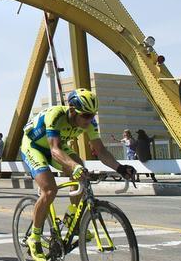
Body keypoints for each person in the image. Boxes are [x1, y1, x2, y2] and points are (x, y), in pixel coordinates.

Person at [18, 90, 136, 261]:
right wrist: (74, 167)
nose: (89, 120)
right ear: (72, 110)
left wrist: (120, 168)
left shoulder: (89, 123)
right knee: (50, 190)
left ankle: (71, 217)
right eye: (86, 115)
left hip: (56, 147)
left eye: (92, 115)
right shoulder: (56, 115)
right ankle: (34, 238)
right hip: (34, 146)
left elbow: (101, 151)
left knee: (81, 170)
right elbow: (55, 150)